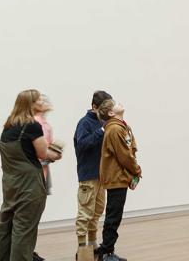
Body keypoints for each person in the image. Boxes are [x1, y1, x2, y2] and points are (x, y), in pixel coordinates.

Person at [0, 90, 64, 261]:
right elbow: (43, 153)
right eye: (38, 99)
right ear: (31, 104)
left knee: (5, 228)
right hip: (30, 186)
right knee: (24, 230)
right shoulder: (32, 126)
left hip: (10, 184)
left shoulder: (8, 126)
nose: (41, 100)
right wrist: (57, 154)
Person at [97, 100, 141, 261]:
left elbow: (129, 149)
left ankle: (107, 250)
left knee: (114, 214)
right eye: (115, 104)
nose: (120, 103)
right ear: (110, 113)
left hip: (119, 177)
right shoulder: (115, 129)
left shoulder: (121, 126)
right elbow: (124, 155)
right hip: (116, 177)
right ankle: (106, 253)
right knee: (113, 216)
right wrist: (136, 169)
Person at [73, 91, 113, 258]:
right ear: (94, 107)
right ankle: (82, 251)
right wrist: (101, 131)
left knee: (97, 211)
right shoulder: (84, 123)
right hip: (88, 176)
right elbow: (82, 145)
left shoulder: (104, 122)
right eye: (104, 108)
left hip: (101, 176)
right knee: (85, 213)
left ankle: (93, 245)